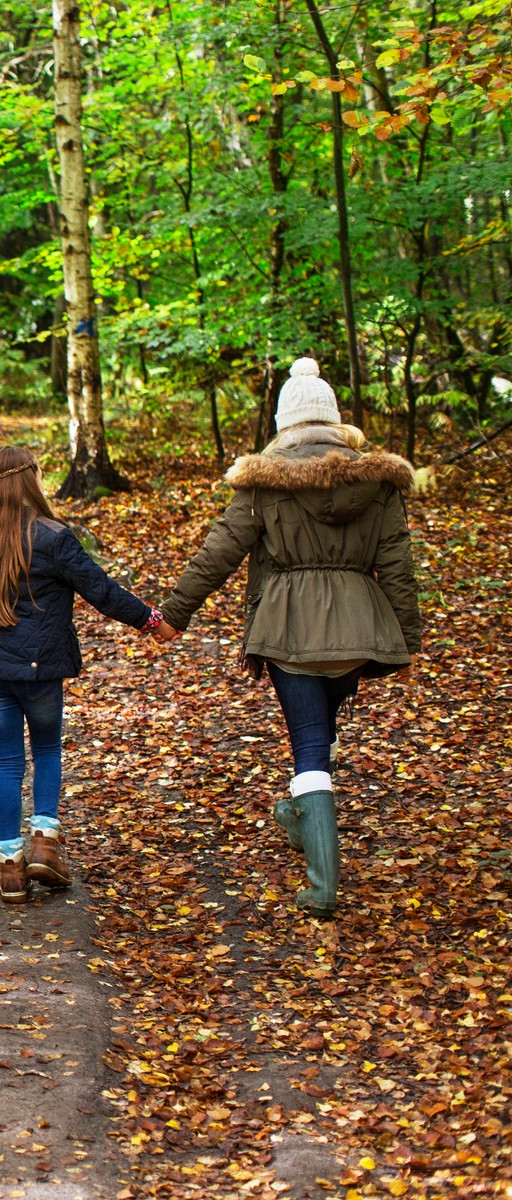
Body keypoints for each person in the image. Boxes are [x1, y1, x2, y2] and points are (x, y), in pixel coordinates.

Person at [155, 359, 418, 918]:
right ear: (333, 420)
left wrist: (175, 614)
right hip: (357, 631)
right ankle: (301, 817)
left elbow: (220, 551)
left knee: (307, 744)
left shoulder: (264, 482)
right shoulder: (378, 481)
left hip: (289, 628)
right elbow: (397, 563)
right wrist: (408, 638)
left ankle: (323, 886)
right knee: (321, 733)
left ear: (284, 424)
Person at [0, 446, 161, 905]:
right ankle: (44, 843)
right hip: (40, 669)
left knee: (7, 763)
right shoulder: (52, 537)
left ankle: (10, 869)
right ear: (29, 479)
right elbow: (101, 591)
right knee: (45, 749)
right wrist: (149, 619)